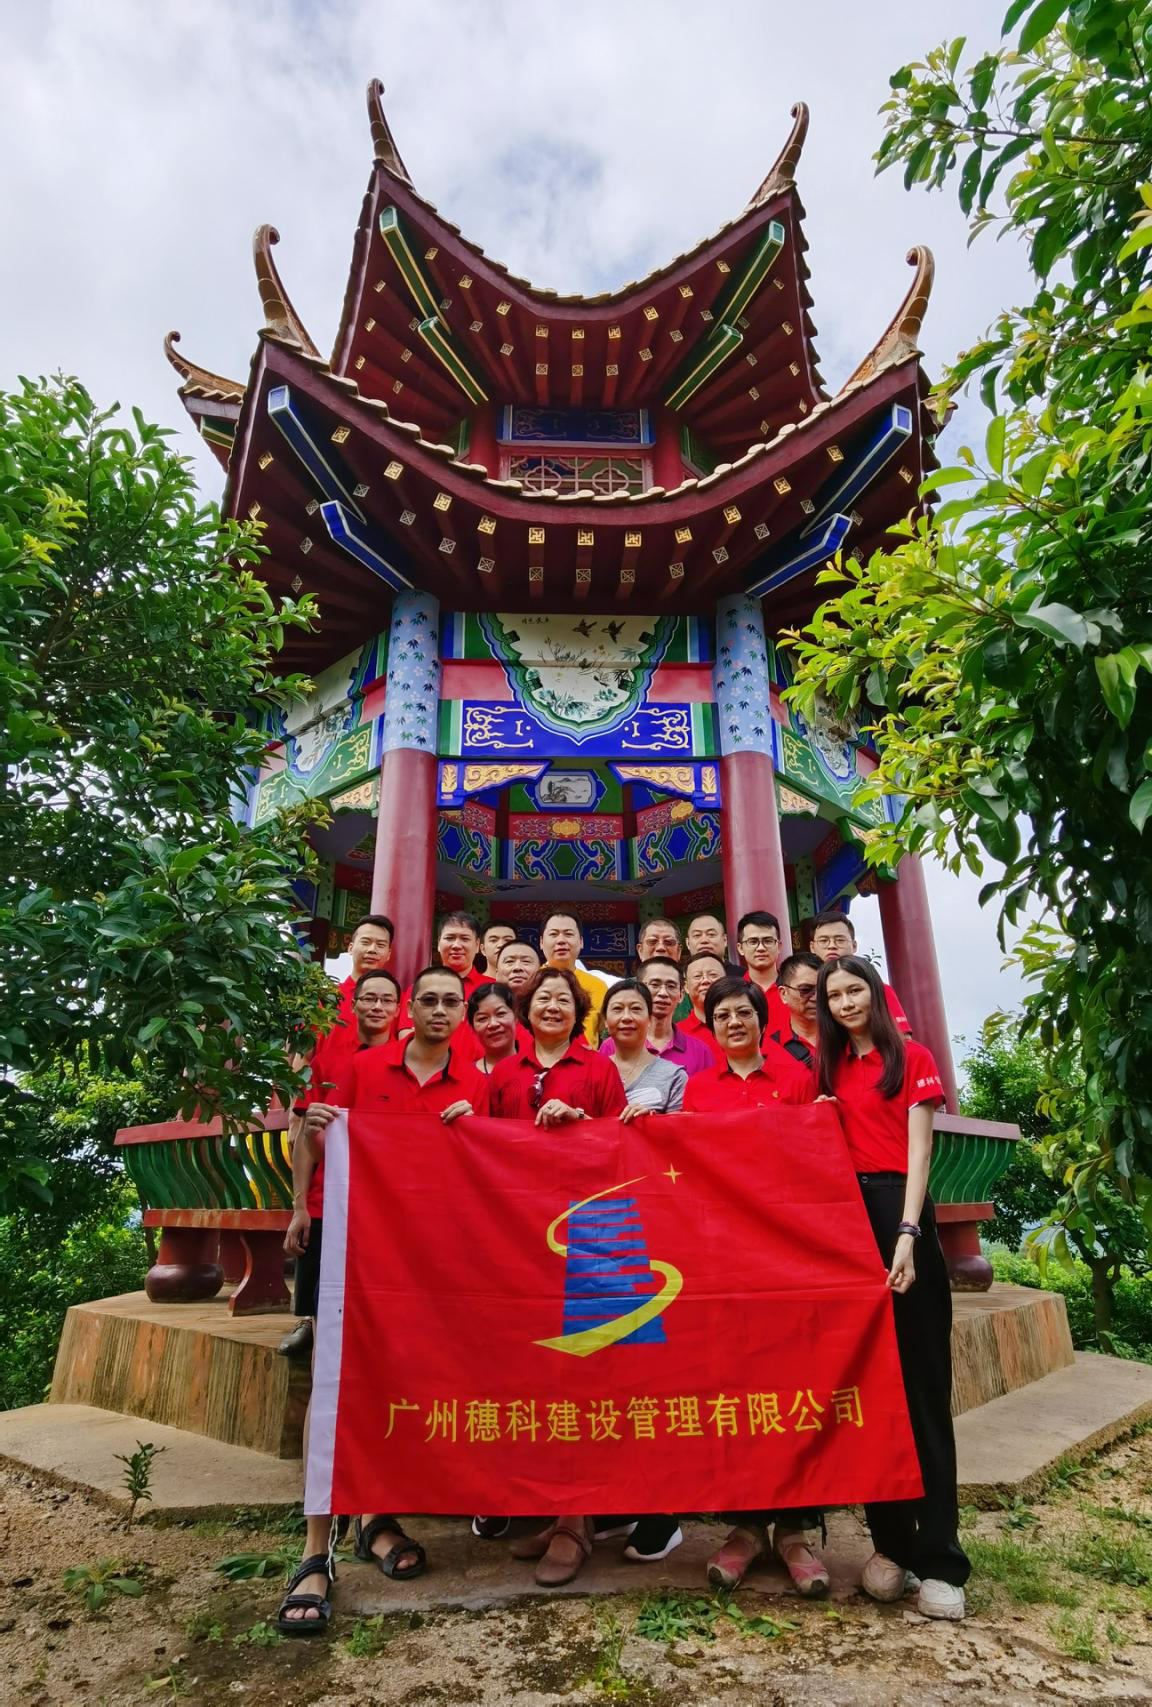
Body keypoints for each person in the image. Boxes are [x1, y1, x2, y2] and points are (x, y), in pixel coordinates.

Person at [277, 965, 483, 1635]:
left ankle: (375, 1518)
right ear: (408, 1009)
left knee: (403, 1377)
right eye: (429, 1000)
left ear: (463, 1014)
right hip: (349, 1241)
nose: (439, 1010)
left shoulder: (476, 1082)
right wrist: (301, 1191)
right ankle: (314, 1549)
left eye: (451, 1002)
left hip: (429, 1258)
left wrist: (475, 1129)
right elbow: (315, 1134)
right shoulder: (362, 1067)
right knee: (333, 1381)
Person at [816, 953, 969, 1622]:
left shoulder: (910, 1057)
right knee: (871, 1387)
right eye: (834, 995)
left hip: (899, 1213)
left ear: (875, 994)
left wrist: (908, 1232)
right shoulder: (828, 1067)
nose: (846, 1002)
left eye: (855, 990)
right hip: (844, 1223)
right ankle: (891, 1545)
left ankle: (941, 1559)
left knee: (922, 1386)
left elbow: (919, 1152)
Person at [681, 975, 827, 1597]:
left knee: (791, 1385)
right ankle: (744, 1529)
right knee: (734, 1385)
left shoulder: (797, 1079)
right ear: (710, 1027)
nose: (733, 1023)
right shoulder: (697, 1088)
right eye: (722, 1016)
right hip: (721, 1257)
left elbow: (814, 1162)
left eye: (743, 1013)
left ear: (763, 1020)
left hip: (785, 1256)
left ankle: (794, 1531)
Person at [485, 964, 626, 1587]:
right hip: (518, 1239)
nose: (551, 1007)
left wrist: (581, 1125)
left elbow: (623, 1148)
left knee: (583, 1373)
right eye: (541, 999)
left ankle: (575, 1520)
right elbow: (482, 1148)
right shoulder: (503, 1074)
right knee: (534, 1370)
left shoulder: (599, 1070)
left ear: (578, 1011)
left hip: (588, 1237)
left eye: (562, 1000)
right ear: (526, 1011)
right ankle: (559, 1511)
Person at [278, 914, 397, 1358]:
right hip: (326, 1118)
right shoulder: (325, 1001)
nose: (372, 949)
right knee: (318, 1216)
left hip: (377, 1145)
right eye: (365, 941)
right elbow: (299, 1056)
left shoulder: (399, 1031)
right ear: (351, 945)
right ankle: (308, 1320)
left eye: (380, 944)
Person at [601, 957, 714, 1077]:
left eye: (671, 986)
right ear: (639, 990)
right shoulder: (612, 1046)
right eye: (655, 985)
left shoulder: (700, 1051)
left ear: (681, 995)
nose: (663, 993)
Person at [809, 908, 910, 1034]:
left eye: (840, 940)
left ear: (854, 946)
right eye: (824, 941)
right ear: (812, 947)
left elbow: (903, 1040)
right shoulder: (803, 995)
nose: (832, 946)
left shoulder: (878, 990)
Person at [601, 978, 687, 1116]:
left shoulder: (674, 1076)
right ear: (605, 1020)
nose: (626, 1017)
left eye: (636, 1009)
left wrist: (650, 1121)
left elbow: (678, 1127)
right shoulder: (591, 1071)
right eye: (617, 1009)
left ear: (650, 1019)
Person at [539, 910, 606, 1046]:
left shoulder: (598, 986)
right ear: (541, 942)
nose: (561, 940)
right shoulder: (530, 983)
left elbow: (607, 1034)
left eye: (568, 934)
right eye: (553, 934)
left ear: (581, 942)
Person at [735, 911, 790, 1034]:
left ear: (779, 946)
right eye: (753, 941)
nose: (760, 948)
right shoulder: (733, 994)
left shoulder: (794, 989)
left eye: (768, 941)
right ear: (740, 948)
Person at [772, 951, 822, 1069]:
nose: (816, 998)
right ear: (783, 994)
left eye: (822, 989)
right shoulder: (770, 1049)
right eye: (805, 990)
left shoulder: (846, 1039)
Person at [679, 952, 728, 1063]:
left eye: (713, 975)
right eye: (697, 976)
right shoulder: (677, 1034)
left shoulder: (741, 1024)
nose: (705, 980)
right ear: (686, 987)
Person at [467, 981, 520, 1075]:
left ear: (516, 1016)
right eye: (482, 1018)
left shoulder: (537, 1072)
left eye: (500, 1014)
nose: (493, 1024)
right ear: (473, 1027)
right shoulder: (467, 1076)